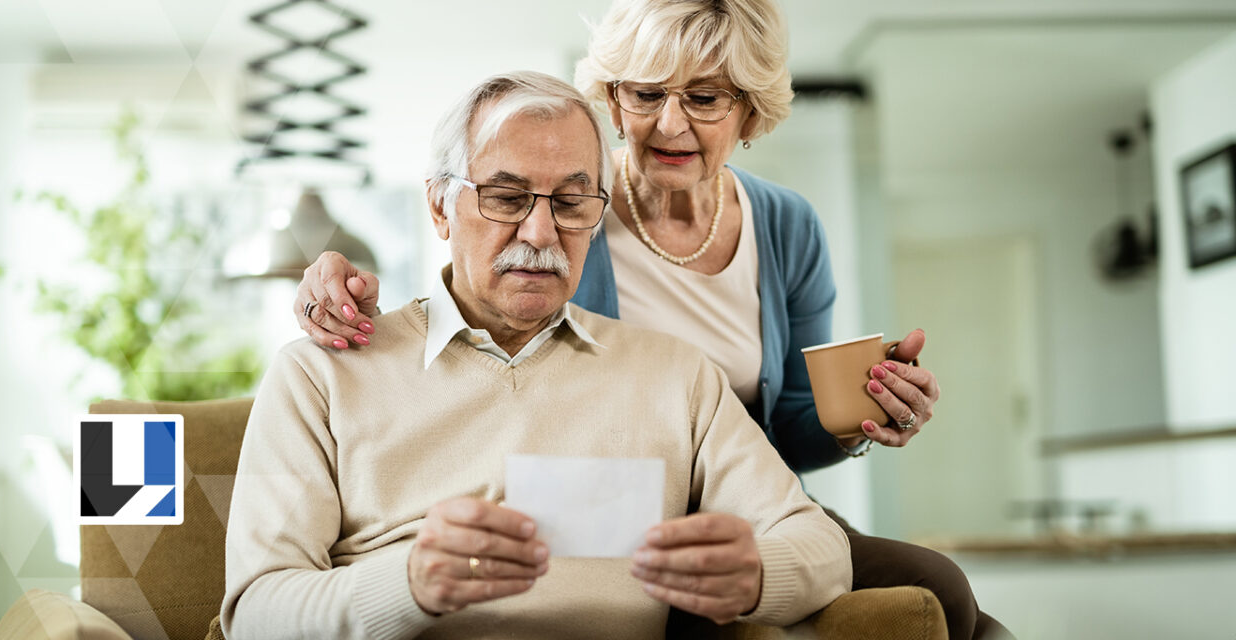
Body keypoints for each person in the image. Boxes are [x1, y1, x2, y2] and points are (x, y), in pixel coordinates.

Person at [290, 2, 1012, 638]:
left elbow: (791, 425)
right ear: (613, 95)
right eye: (645, 93)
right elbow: (483, 292)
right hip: (610, 509)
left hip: (733, 503)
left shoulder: (785, 226)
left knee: (941, 588)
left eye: (704, 97)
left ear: (749, 111)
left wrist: (863, 413)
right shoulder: (570, 199)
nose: (670, 122)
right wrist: (335, 286)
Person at [223, 71, 851, 640]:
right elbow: (257, 611)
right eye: (505, 197)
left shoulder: (675, 375)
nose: (540, 233)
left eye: (572, 203)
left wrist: (759, 575)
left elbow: (819, 546)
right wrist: (409, 585)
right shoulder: (321, 372)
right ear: (441, 205)